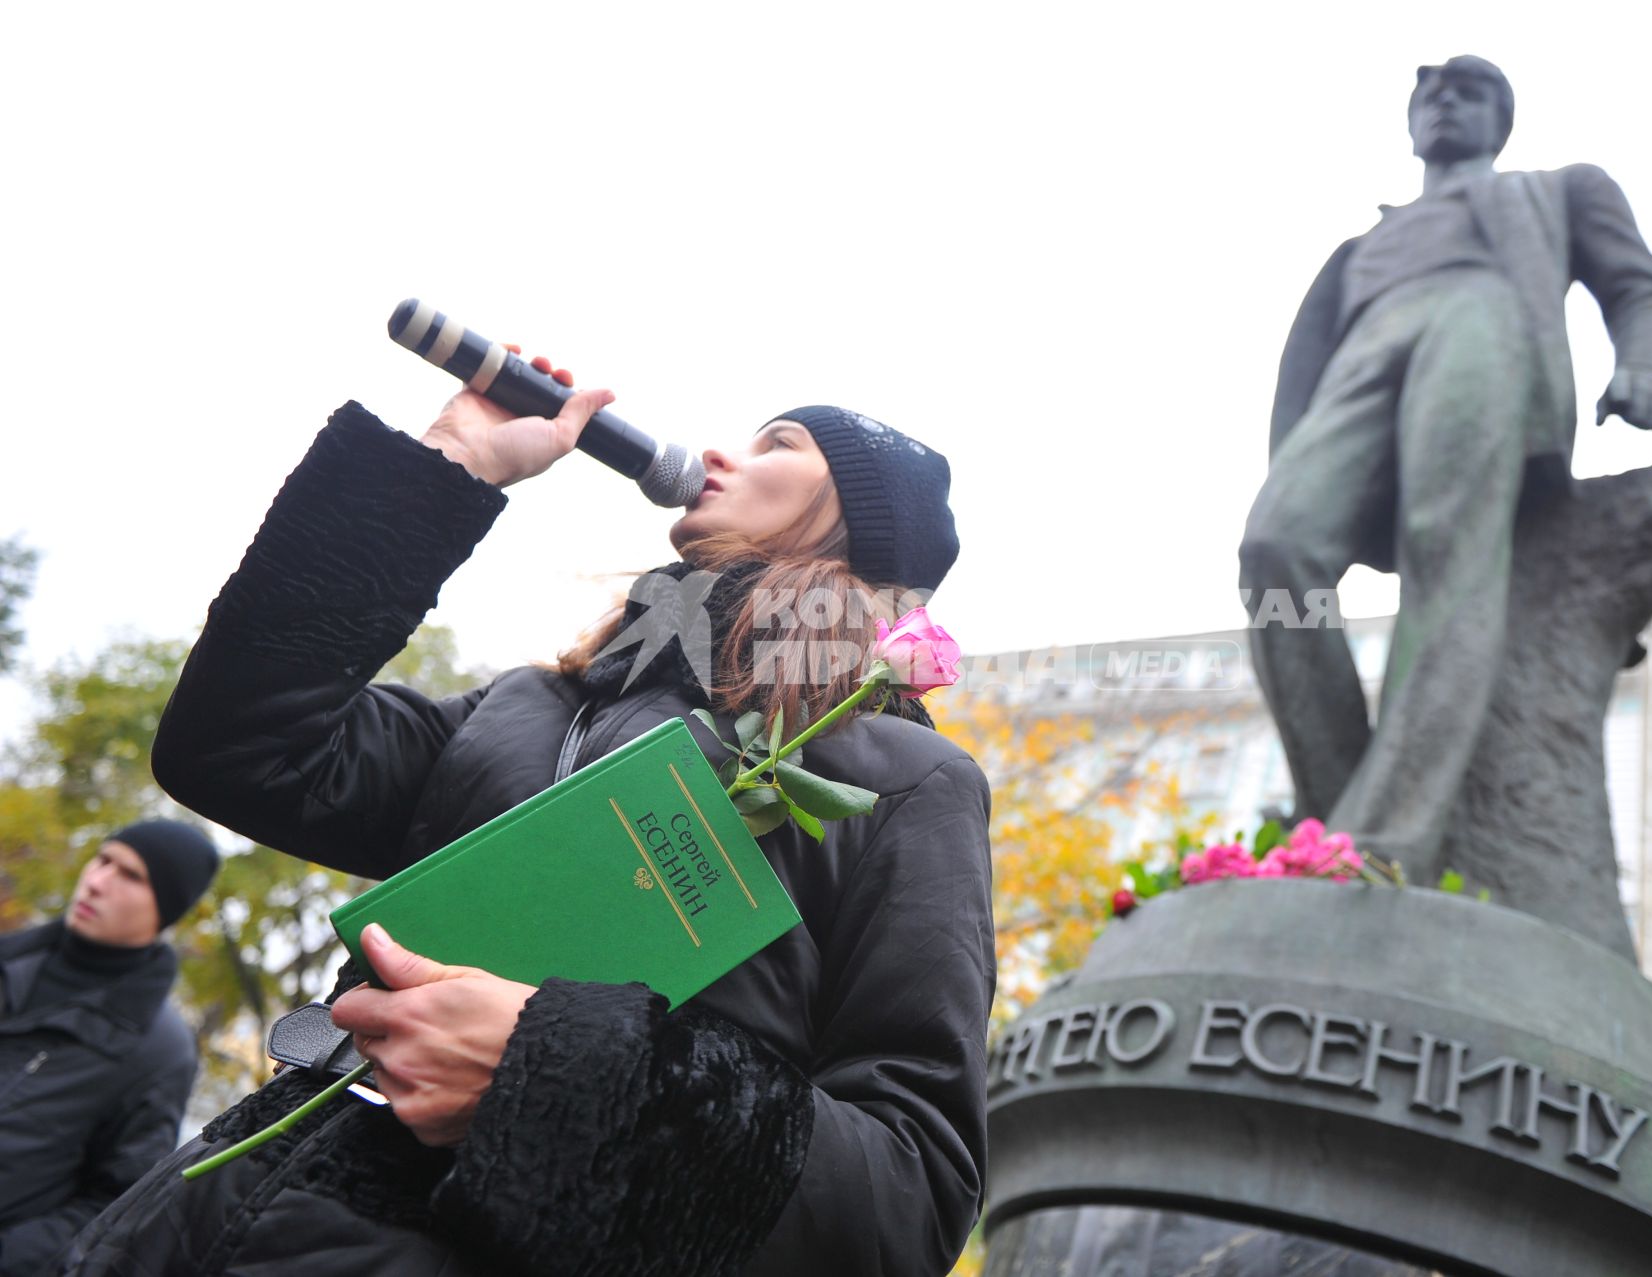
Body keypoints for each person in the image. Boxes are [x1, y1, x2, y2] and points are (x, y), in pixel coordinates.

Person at [57, 372, 993, 1277]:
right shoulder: (523, 709)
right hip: (196, 1227)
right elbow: (234, 747)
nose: (719, 451)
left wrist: (548, 1070)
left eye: (777, 443)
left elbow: (908, 1200)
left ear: (861, 531)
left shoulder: (906, 783)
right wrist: (448, 463)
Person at [1238, 54, 1652, 876]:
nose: (1444, 102)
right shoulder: (1361, 244)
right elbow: (1302, 370)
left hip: (1485, 331)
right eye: (1430, 94)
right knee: (1274, 547)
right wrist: (1291, 461)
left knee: (1449, 557)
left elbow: (1637, 288)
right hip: (1362, 366)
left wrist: (1649, 365)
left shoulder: (1558, 190)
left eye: (1469, 91)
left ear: (1500, 120)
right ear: (1411, 126)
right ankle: (1336, 818)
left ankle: (1387, 837)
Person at [0, 821, 219, 1276]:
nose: (98, 882)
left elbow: (115, 1204)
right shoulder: (10, 961)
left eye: (131, 876)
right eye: (102, 860)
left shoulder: (159, 1051)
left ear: (167, 907)